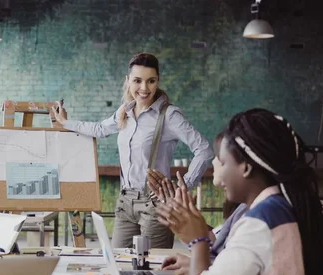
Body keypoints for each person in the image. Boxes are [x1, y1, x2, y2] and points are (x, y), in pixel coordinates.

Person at [156, 109, 322, 275]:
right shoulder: (275, 208)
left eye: (224, 163)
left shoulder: (262, 221)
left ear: (245, 167)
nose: (219, 174)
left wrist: (199, 240)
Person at [53, 52, 213, 248]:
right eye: (137, 81)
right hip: (125, 202)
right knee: (118, 264)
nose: (144, 88)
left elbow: (204, 150)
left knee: (152, 271)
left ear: (157, 81)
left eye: (151, 81)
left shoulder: (169, 115)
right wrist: (65, 122)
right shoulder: (124, 112)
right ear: (128, 81)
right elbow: (99, 129)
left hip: (156, 206)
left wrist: (183, 186)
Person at [151, 132, 249, 275]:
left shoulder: (256, 215)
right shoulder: (245, 208)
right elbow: (224, 257)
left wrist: (198, 242)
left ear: (246, 167)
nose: (214, 163)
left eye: (221, 160)